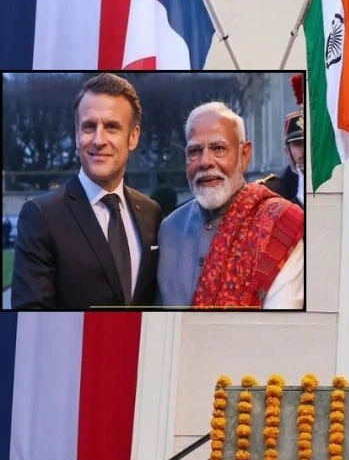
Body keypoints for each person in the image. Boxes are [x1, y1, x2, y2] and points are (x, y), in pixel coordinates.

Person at [10, 73, 163, 310]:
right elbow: (31, 318)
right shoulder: (42, 215)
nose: (98, 140)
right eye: (89, 126)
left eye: (112, 127)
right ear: (76, 134)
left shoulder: (151, 213)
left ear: (133, 137)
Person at [157, 102, 304, 309]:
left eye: (218, 148)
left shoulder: (281, 225)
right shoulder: (168, 228)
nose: (205, 162)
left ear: (245, 154)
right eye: (195, 151)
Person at [259, 73, 304, 207]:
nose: (304, 151)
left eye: (308, 144)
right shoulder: (271, 190)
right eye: (298, 144)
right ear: (286, 150)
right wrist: (299, 201)